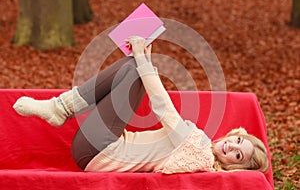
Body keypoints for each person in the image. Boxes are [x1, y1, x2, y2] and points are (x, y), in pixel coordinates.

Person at [13, 36, 269, 173]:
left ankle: (61, 109)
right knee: (132, 67)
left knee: (134, 66)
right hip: (97, 148)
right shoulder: (201, 149)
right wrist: (143, 57)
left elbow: (163, 108)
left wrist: (142, 58)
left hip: (97, 151)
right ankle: (61, 108)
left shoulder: (200, 150)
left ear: (235, 165)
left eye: (238, 154)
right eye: (237, 141)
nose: (231, 146)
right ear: (233, 135)